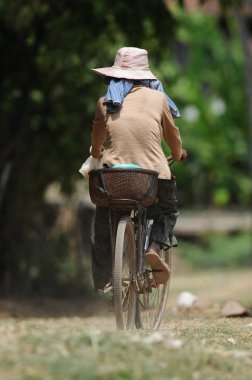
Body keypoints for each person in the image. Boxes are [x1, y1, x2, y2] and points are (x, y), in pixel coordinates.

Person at [89, 47, 187, 292]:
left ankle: (106, 281)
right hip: (151, 178)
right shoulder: (158, 98)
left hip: (115, 178)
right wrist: (177, 155)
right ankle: (153, 249)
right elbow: (173, 137)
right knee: (166, 211)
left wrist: (95, 154)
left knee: (104, 223)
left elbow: (96, 142)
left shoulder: (104, 102)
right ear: (145, 76)